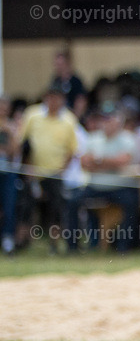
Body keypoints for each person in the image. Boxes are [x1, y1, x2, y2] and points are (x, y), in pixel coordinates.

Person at [68, 105, 140, 253]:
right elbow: (84, 164)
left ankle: (123, 246)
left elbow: (122, 161)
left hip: (120, 187)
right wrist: (109, 163)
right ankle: (73, 247)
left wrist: (99, 161)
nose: (106, 123)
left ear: (118, 121)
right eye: (104, 119)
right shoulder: (92, 138)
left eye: (109, 119)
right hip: (95, 186)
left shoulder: (127, 138)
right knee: (72, 201)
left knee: (133, 203)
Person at [17, 89, 79, 253]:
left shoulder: (68, 120)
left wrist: (62, 170)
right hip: (32, 172)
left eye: (56, 98)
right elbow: (23, 144)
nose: (53, 102)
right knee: (25, 208)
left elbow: (72, 150)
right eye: (50, 98)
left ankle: (54, 245)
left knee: (56, 210)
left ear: (62, 100)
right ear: (46, 98)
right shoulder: (32, 115)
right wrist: (27, 168)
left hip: (55, 174)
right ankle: (22, 243)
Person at [0, 96, 20, 255]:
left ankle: (7, 238)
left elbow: (14, 154)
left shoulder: (11, 127)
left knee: (9, 206)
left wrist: (9, 134)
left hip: (7, 173)